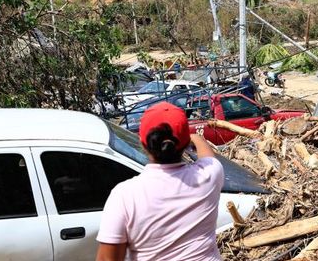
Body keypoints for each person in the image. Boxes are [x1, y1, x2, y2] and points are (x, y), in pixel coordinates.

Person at [96, 102, 224, 261]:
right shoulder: (209, 177)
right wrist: (194, 137)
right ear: (184, 144)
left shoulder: (124, 195)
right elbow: (208, 156)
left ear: (143, 144)